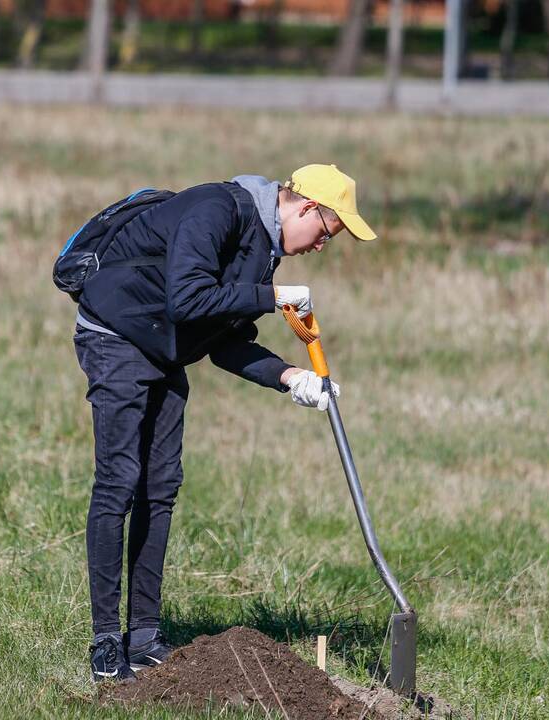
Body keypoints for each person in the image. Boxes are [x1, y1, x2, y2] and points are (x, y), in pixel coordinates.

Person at [70, 164, 376, 680]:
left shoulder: (262, 253)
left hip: (164, 351)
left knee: (161, 485)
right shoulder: (217, 210)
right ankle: (106, 643)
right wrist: (272, 298)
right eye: (326, 232)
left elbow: (223, 344)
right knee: (119, 481)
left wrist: (290, 376)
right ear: (305, 207)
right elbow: (187, 299)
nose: (322, 246)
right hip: (116, 335)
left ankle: (143, 637)